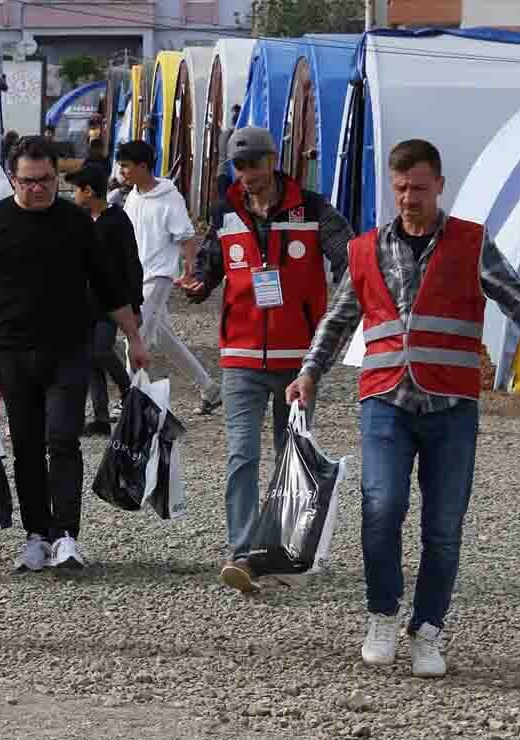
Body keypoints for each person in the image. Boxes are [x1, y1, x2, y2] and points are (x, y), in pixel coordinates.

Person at [285, 139, 520, 678]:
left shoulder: (470, 241)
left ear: (439, 185)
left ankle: (428, 630)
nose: (408, 198)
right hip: (385, 399)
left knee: (443, 526)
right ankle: (382, 615)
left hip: (452, 405)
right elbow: (338, 319)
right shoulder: (365, 249)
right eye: (399, 188)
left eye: (417, 187)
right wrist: (310, 372)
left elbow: (518, 295)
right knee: (382, 509)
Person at [0, 136, 148, 572]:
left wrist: (134, 339)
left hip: (69, 347)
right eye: (28, 182)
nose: (38, 188)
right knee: (26, 444)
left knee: (63, 438)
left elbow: (110, 288)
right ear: (13, 179)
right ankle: (36, 534)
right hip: (12, 350)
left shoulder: (78, 223)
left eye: (46, 180)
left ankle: (66, 533)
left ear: (56, 178)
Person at [185, 126, 353, 592]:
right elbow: (209, 264)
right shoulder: (225, 211)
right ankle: (242, 550)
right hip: (239, 355)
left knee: (290, 456)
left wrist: (347, 297)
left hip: (299, 359)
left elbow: (348, 257)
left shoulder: (312, 208)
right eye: (239, 167)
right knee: (242, 454)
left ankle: (280, 548)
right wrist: (199, 283)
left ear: (273, 160)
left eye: (254, 165)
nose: (247, 175)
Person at [116, 140, 221, 414]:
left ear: (142, 166)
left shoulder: (170, 197)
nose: (122, 171)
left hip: (158, 277)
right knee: (164, 339)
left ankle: (132, 401)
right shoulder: (134, 196)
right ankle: (210, 389)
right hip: (136, 277)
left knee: (135, 334)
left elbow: (186, 236)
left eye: (126, 166)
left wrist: (189, 270)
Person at [64, 164, 143, 437]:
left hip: (113, 302)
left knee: (101, 350)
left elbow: (132, 262)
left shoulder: (117, 220)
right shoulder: (80, 220)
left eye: (76, 189)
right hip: (84, 302)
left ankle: (128, 392)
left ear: (88, 191)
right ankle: (99, 416)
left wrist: (135, 303)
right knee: (89, 359)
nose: (73, 194)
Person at [215, 105, 242, 203]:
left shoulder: (224, 134)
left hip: (221, 173)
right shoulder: (234, 134)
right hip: (228, 174)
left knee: (223, 202)